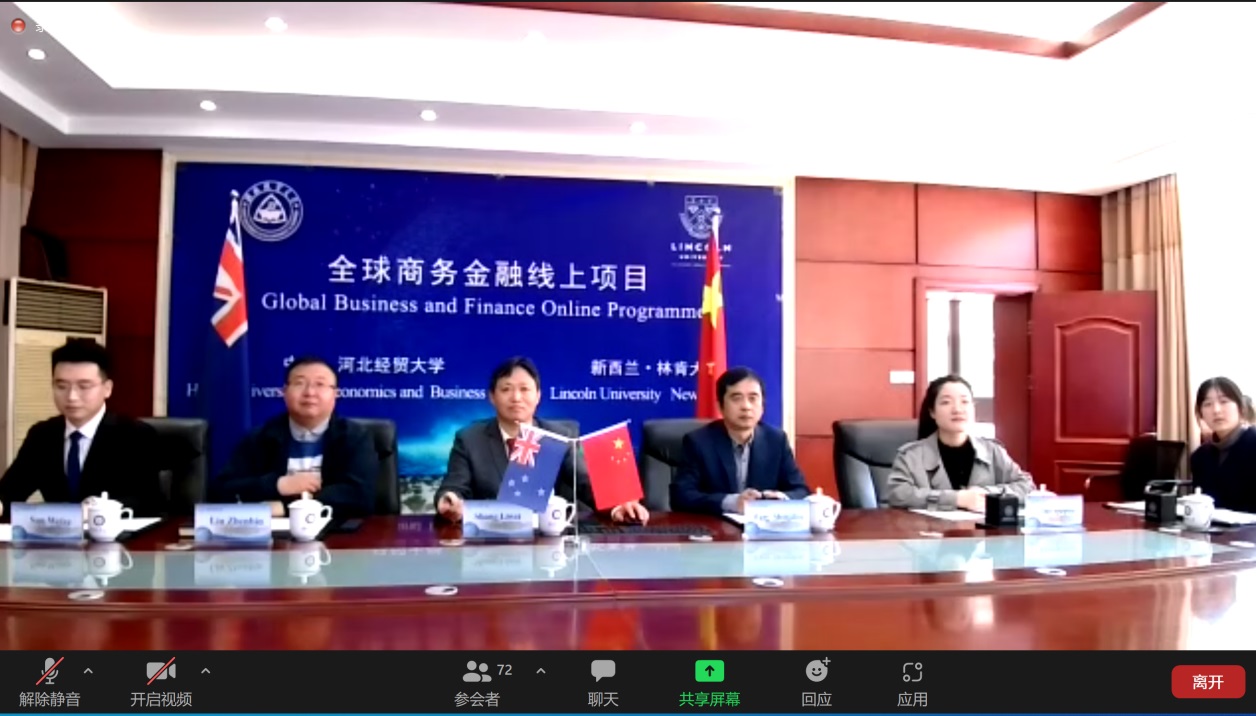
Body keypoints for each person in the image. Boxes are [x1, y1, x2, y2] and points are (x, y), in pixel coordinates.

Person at [436, 356, 649, 523]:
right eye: (506, 389)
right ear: (492, 396)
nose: (516, 397)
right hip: (487, 544)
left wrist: (617, 506)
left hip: (545, 546)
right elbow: (453, 487)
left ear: (538, 395)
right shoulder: (469, 439)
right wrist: (450, 501)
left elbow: (585, 482)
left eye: (524, 389)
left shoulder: (556, 437)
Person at [0, 339, 163, 518]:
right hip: (56, 534)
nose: (71, 396)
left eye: (84, 387)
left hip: (114, 533)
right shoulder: (42, 435)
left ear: (107, 389)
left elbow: (149, 501)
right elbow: (10, 490)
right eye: (61, 386)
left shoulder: (135, 435)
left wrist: (102, 508)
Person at [212, 357, 378, 517]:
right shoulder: (260, 438)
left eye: (320, 384)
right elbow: (222, 490)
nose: (310, 392)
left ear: (336, 394)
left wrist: (288, 507)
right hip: (271, 533)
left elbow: (361, 496)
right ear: (284, 392)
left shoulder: (355, 437)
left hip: (337, 531)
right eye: (299, 383)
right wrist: (277, 485)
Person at [670, 366, 809, 515]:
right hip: (717, 527)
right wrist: (732, 502)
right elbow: (680, 496)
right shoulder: (698, 442)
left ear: (762, 406)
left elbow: (801, 491)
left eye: (753, 398)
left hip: (762, 526)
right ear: (720, 406)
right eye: (736, 398)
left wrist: (782, 498)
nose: (746, 406)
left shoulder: (776, 441)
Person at [885, 374, 1035, 511]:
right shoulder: (911, 456)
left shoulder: (993, 451)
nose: (957, 409)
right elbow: (897, 494)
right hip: (929, 531)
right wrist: (956, 499)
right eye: (946, 402)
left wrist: (987, 494)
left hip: (982, 531)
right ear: (932, 412)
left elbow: (1027, 487)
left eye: (965, 401)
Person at [1189, 377, 1256, 512]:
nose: (1216, 410)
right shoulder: (1200, 456)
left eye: (1224, 401)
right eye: (1207, 404)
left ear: (1240, 407)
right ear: (1200, 413)